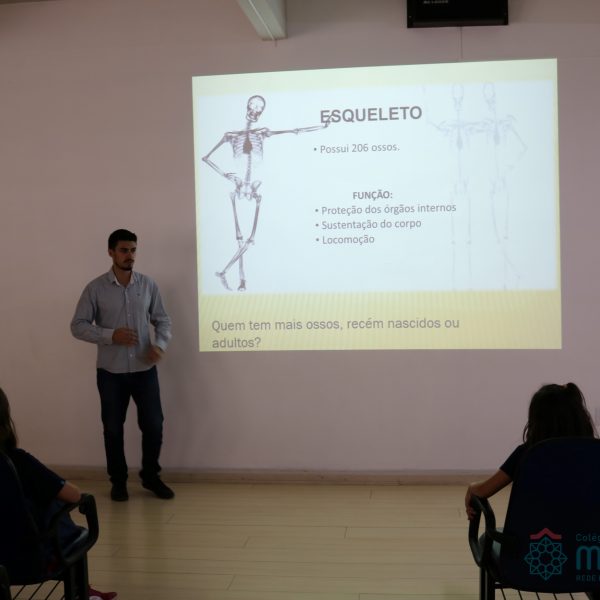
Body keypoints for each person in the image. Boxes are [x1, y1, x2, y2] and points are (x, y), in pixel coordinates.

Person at [71, 229, 174, 502]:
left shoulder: (148, 285)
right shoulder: (95, 288)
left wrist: (160, 345)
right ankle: (118, 482)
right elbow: (77, 326)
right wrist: (110, 335)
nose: (130, 256)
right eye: (124, 250)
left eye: (133, 250)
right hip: (110, 373)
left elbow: (163, 320)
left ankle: (151, 477)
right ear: (111, 252)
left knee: (154, 425)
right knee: (113, 429)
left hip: (144, 371)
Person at [0, 387, 117, 600]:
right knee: (51, 501)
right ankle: (83, 592)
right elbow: (74, 496)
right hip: (28, 561)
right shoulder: (18, 462)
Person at [465, 382, 596, 519]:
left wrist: (472, 488)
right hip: (588, 533)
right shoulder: (594, 453)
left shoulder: (527, 454)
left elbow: (483, 491)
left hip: (537, 533)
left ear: (537, 420)